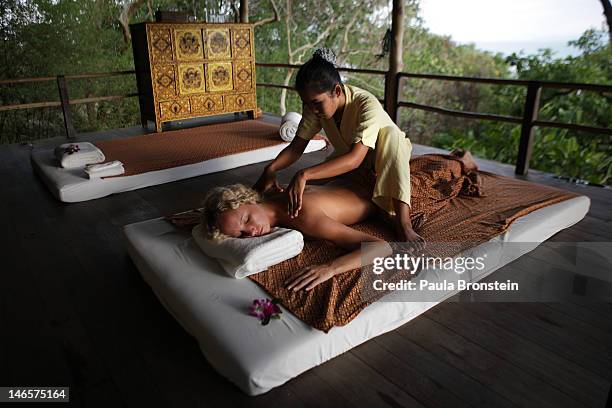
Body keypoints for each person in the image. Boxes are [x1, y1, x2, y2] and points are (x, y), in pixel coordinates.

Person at [201, 150, 481, 292]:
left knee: (438, 175)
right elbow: (225, 214)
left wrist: (330, 268)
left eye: (246, 219)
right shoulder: (277, 195)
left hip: (377, 192)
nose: (251, 232)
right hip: (357, 180)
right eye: (241, 234)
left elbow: (380, 246)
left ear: (249, 199)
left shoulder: (302, 215)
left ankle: (462, 159)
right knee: (418, 165)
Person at [253, 48, 424, 246]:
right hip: (347, 156)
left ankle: (403, 222)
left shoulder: (366, 104)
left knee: (393, 136)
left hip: (383, 155)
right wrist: (271, 169)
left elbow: (355, 159)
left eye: (316, 103)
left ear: (337, 91)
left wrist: (304, 174)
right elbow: (296, 147)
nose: (311, 110)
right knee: (317, 193)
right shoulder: (314, 106)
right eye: (306, 104)